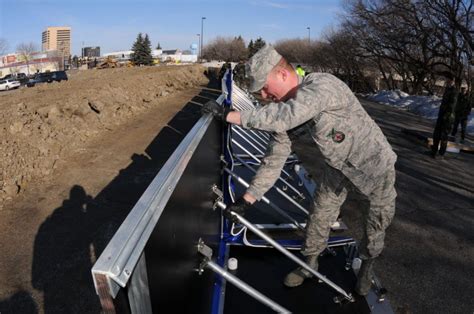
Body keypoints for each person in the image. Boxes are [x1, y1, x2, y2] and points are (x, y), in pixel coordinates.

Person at [202, 44, 397, 296]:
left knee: (376, 226)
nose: (263, 94)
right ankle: (309, 264)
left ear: (282, 74)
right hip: (337, 167)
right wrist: (246, 200)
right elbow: (274, 159)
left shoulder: (322, 86)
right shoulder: (288, 109)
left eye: (264, 86)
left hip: (374, 166)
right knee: (319, 216)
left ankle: (367, 266)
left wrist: (233, 115)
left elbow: (285, 116)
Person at [431, 72, 458, 158]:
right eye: (446, 79)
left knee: (444, 135)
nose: (446, 81)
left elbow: (452, 105)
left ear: (452, 80)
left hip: (448, 117)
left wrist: (446, 116)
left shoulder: (454, 90)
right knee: (436, 134)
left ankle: (441, 153)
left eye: (448, 79)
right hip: (442, 114)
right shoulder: (447, 89)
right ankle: (434, 150)